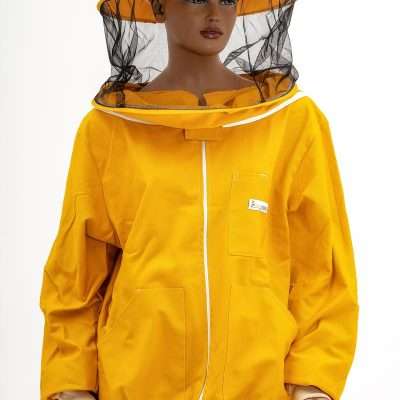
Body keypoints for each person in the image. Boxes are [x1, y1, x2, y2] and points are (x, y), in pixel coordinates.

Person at [39, 1, 359, 399]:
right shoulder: (107, 131)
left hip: (259, 386)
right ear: (159, 7)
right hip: (137, 382)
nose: (213, 12)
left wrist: (313, 382)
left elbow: (322, 268)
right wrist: (71, 383)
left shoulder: (292, 123)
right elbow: (75, 274)